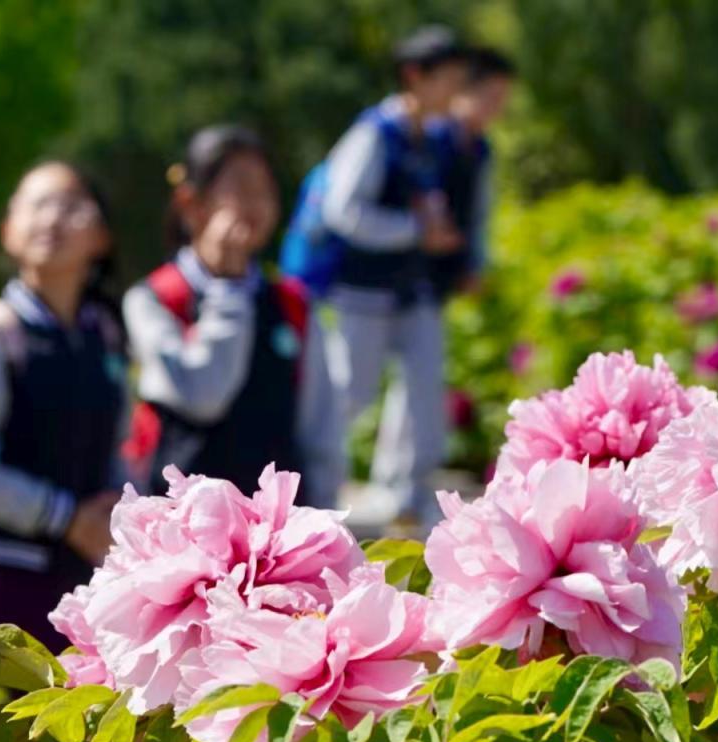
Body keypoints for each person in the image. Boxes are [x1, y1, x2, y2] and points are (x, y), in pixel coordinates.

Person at [0, 162, 127, 649]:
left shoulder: (103, 339)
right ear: (8, 232)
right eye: (37, 204)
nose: (53, 219)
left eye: (71, 205)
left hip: (79, 584)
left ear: (100, 236)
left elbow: (117, 448)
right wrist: (65, 517)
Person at [123, 126, 340, 506]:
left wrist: (323, 511)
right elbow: (203, 395)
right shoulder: (156, 299)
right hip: (181, 526)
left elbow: (319, 425)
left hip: (274, 530)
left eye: (265, 189)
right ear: (192, 203)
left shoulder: (292, 304)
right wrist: (226, 288)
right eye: (240, 187)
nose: (256, 202)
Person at [321, 25, 469, 526]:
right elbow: (343, 211)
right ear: (415, 76)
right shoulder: (373, 133)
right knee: (351, 391)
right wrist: (414, 231)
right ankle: (313, 479)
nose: (456, 90)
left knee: (425, 387)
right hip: (363, 291)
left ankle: (407, 492)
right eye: (448, 78)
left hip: (414, 288)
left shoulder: (431, 137)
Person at [430, 46, 516, 300]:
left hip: (443, 272)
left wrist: (474, 265)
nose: (498, 109)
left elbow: (480, 211)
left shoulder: (480, 148)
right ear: (463, 91)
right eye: (493, 98)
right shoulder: (432, 137)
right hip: (403, 271)